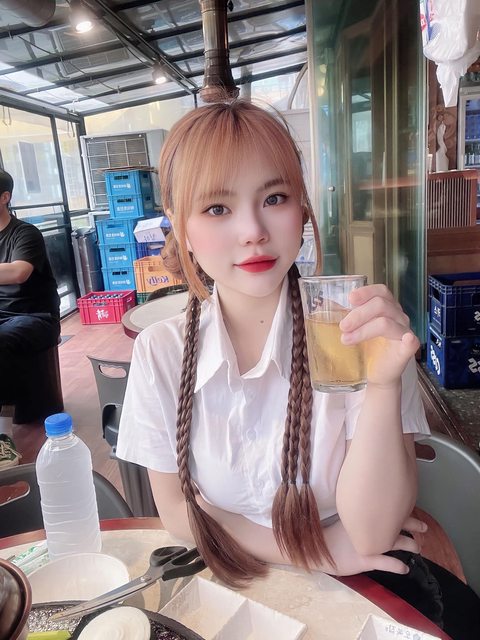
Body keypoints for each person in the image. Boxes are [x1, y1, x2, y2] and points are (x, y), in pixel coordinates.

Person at [116, 100, 479, 638]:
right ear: (180, 225)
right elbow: (175, 510)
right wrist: (315, 551)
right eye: (217, 208)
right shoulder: (161, 352)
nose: (253, 230)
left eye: (274, 198)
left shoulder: (355, 333)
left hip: (363, 585)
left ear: (302, 210)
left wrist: (383, 384)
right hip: (237, 587)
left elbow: (371, 533)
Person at [0, 169, 60, 468]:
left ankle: (2, 436)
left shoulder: (25, 233)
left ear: (4, 197)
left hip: (35, 316)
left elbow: (18, 272)